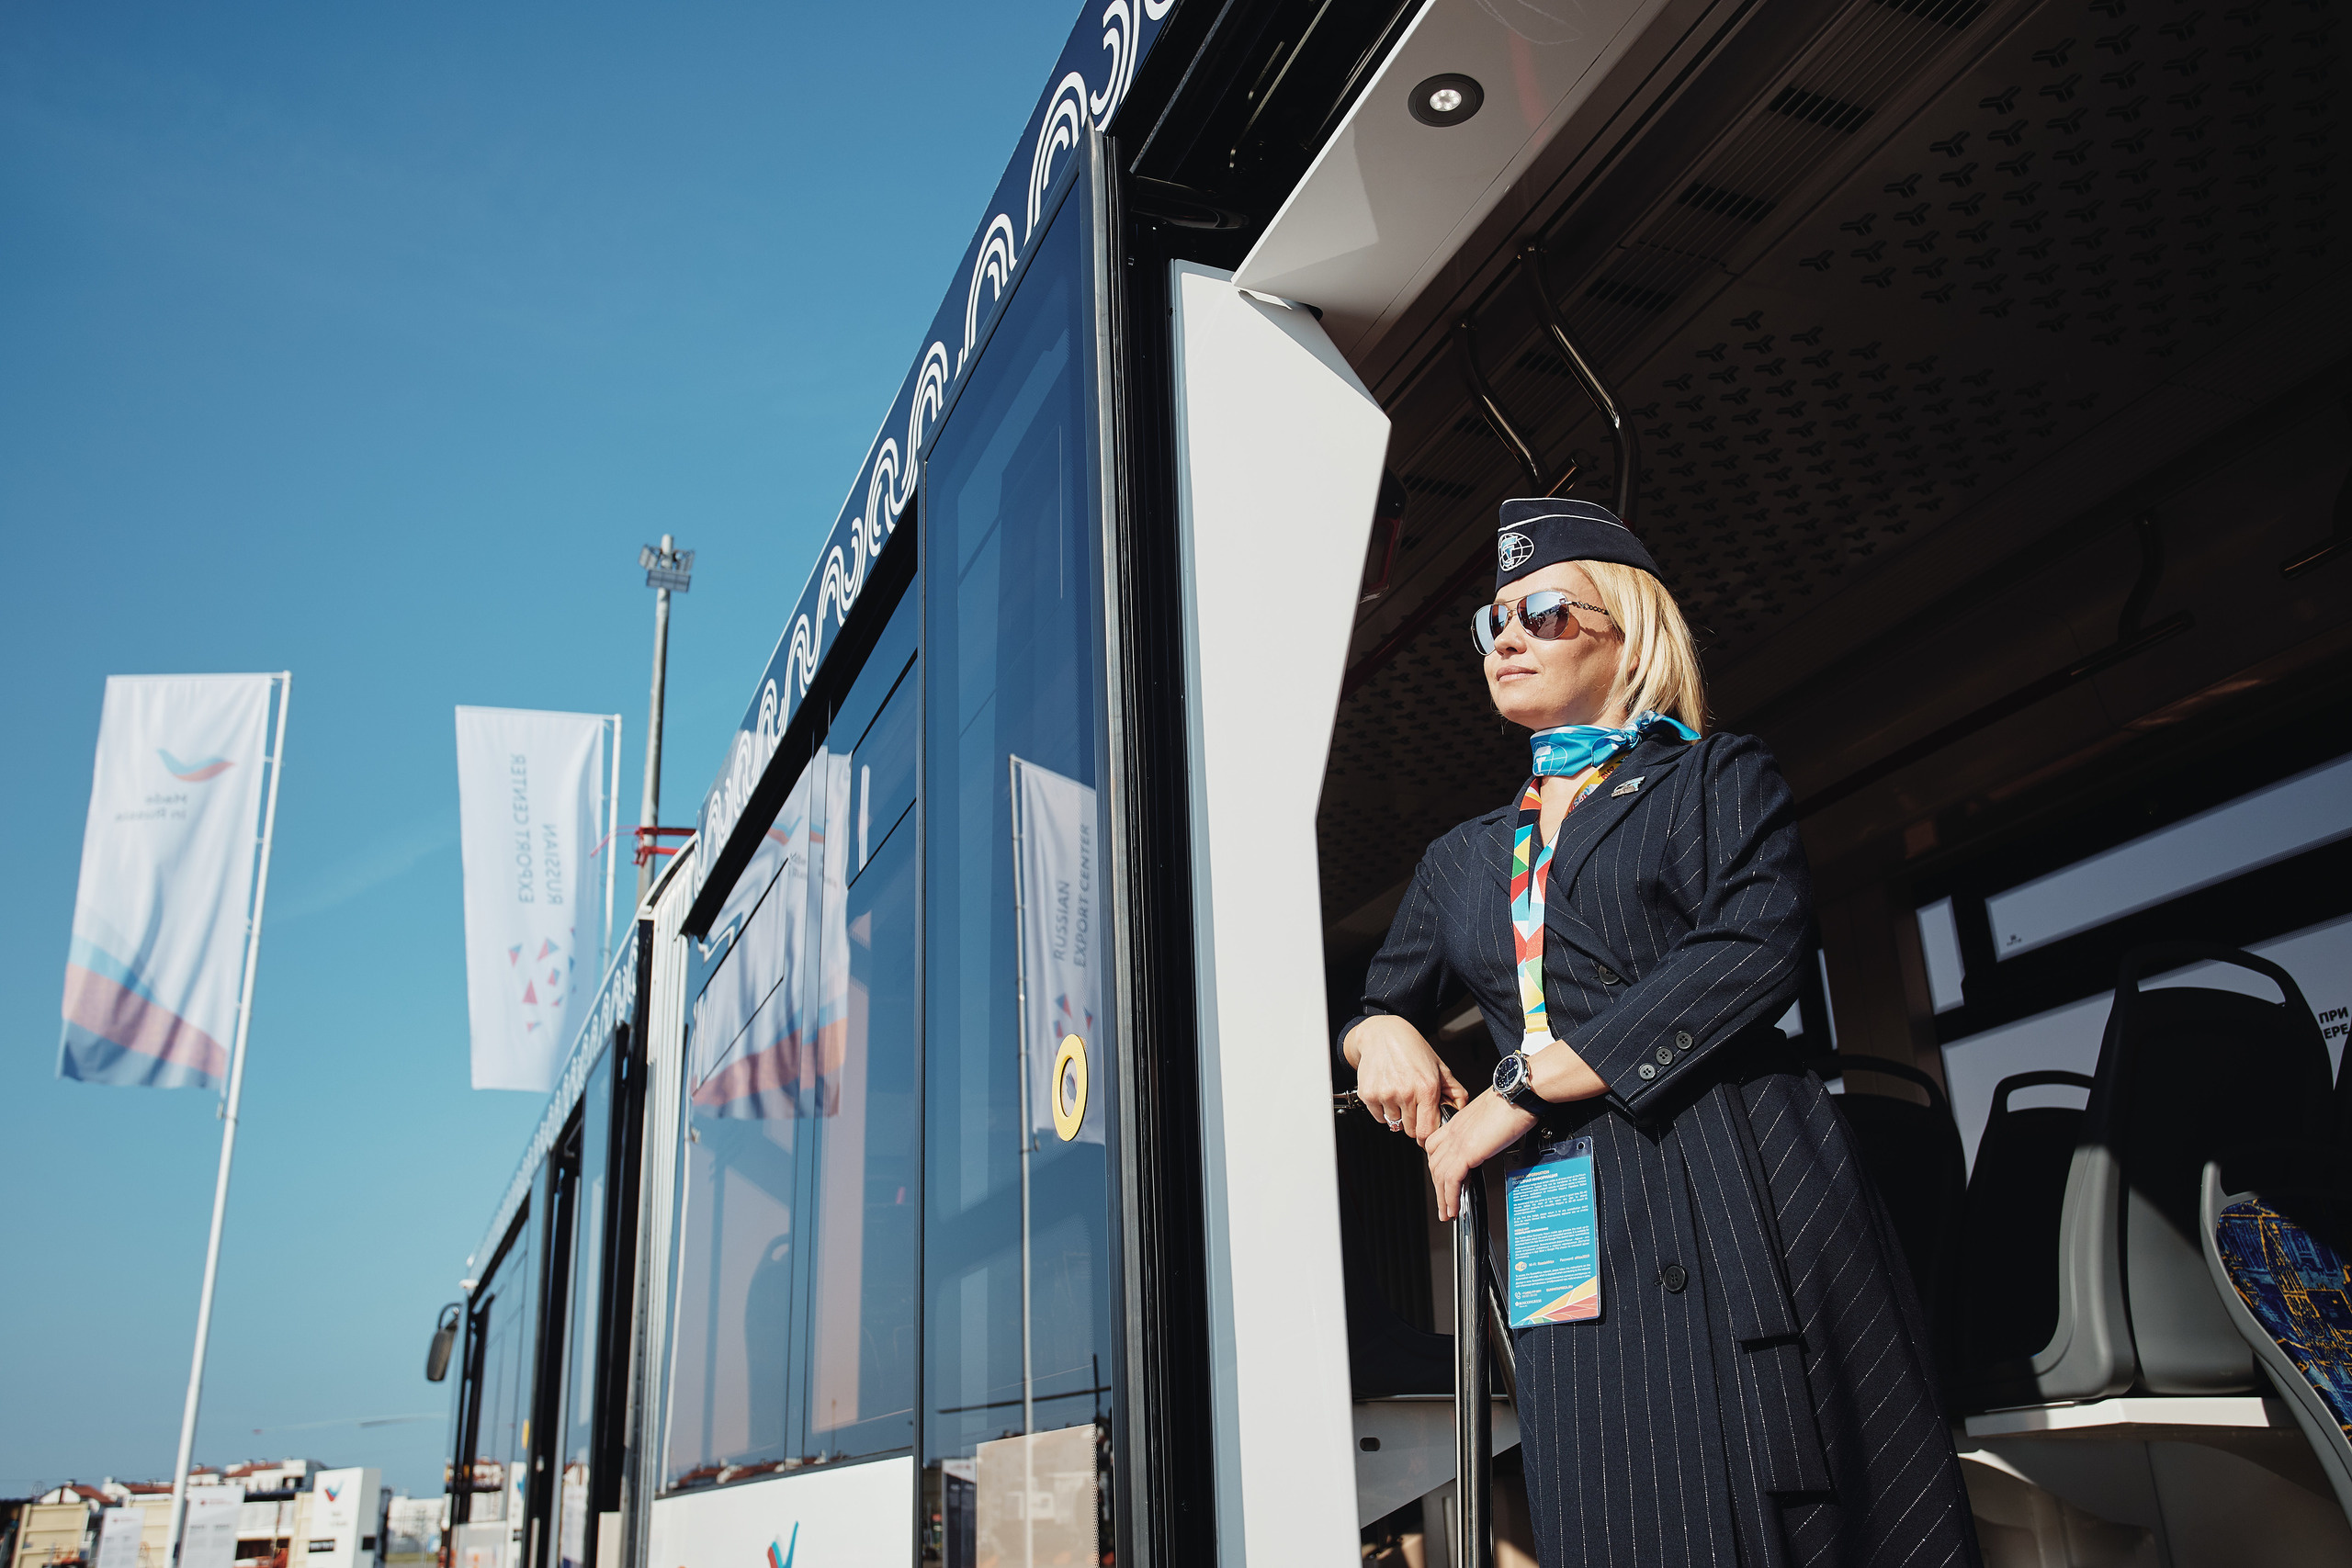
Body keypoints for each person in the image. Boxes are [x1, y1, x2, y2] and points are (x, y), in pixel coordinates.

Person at [1339, 499, 1981, 1568]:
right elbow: (1379, 1000)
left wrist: (1519, 1088)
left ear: (1628, 634)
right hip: (1563, 1216)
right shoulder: (1463, 857)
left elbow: (1752, 949)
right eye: (1492, 622)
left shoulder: (1714, 776)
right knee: (1609, 1499)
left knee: (1794, 1500)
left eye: (1543, 612)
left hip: (1736, 1180)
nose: (1505, 638)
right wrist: (1376, 1037)